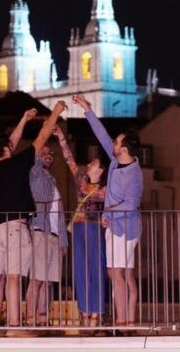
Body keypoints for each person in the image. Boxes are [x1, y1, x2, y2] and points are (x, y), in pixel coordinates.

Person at [0, 101, 67, 330]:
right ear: (7, 148)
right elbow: (44, 135)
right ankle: (14, 324)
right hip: (15, 227)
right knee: (13, 277)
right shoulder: (19, 163)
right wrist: (55, 112)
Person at [72, 94, 142, 327]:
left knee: (116, 273)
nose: (112, 144)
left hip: (124, 227)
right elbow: (102, 134)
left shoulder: (133, 173)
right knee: (123, 274)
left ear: (124, 148)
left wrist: (107, 212)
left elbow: (131, 204)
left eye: (116, 142)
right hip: (116, 225)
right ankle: (127, 319)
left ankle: (123, 321)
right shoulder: (115, 162)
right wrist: (86, 109)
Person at [54, 126, 108, 327]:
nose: (88, 164)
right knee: (81, 271)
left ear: (100, 170)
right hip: (78, 229)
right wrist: (61, 138)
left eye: (93, 163)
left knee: (96, 269)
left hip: (95, 229)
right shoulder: (82, 183)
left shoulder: (106, 189)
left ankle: (97, 313)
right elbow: (69, 161)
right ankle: (85, 311)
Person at [25, 139, 68, 326]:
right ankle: (30, 318)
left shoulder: (52, 180)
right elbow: (34, 154)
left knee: (48, 280)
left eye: (50, 153)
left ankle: (43, 319)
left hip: (53, 235)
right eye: (44, 153)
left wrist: (63, 240)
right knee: (37, 279)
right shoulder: (35, 175)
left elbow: (59, 213)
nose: (48, 155)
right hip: (40, 230)